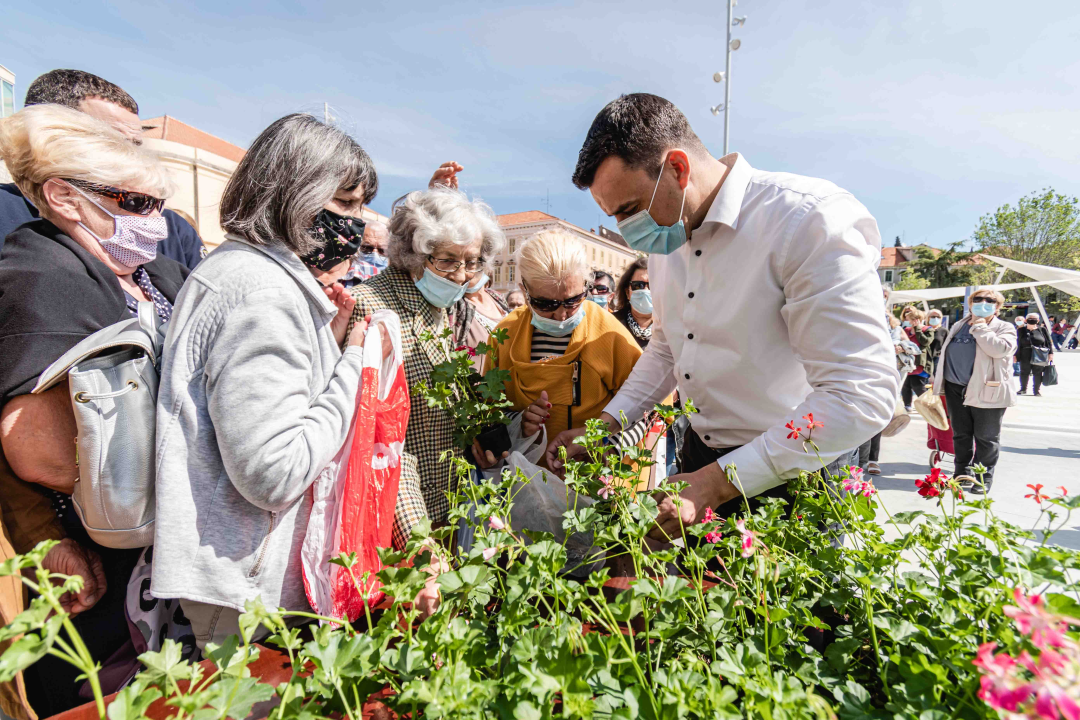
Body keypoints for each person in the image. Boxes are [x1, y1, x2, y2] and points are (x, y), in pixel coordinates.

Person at [552, 93, 897, 538]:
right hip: (699, 463)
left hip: (792, 474)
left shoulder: (806, 219)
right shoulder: (666, 240)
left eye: (629, 209)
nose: (625, 230)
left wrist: (718, 483)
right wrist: (605, 426)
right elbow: (667, 349)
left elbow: (860, 395)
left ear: (677, 169)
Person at [152, 114, 428, 650]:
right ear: (292, 196)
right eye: (344, 204)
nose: (358, 221)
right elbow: (275, 471)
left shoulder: (249, 275)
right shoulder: (261, 292)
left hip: (250, 579)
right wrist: (354, 361)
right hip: (250, 593)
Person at [0, 104, 189, 715]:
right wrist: (50, 539)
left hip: (165, 547)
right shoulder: (41, 273)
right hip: (95, 553)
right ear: (64, 197)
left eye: (159, 205)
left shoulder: (154, 272)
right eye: (135, 203)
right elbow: (37, 451)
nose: (154, 223)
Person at [347, 187, 506, 531]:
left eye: (472, 262)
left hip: (449, 507)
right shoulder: (371, 307)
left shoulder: (444, 310)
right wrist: (418, 538)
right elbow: (378, 440)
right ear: (415, 254)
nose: (462, 276)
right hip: (397, 516)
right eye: (448, 261)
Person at [0, 69, 205, 268]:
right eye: (114, 142)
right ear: (47, 133)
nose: (133, 159)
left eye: (135, 146)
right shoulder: (6, 212)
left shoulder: (174, 231)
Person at [492, 230, 642, 463]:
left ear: (585, 285)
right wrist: (519, 422)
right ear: (524, 290)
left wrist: (608, 448)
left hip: (595, 481)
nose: (561, 315)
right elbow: (487, 411)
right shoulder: (505, 334)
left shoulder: (608, 332)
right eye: (545, 304)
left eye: (573, 301)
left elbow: (650, 406)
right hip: (524, 484)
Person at [932, 288, 1016, 494]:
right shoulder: (959, 325)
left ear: (997, 307)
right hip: (955, 388)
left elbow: (999, 350)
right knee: (961, 435)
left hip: (987, 390)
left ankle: (983, 477)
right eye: (977, 299)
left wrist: (981, 327)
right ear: (970, 303)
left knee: (986, 437)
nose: (983, 303)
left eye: (990, 300)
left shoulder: (1004, 327)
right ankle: (961, 474)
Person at [612, 257, 652, 348]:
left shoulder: (671, 329)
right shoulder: (611, 323)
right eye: (638, 285)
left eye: (652, 286)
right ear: (627, 292)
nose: (645, 290)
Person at [899, 305, 934, 411]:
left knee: (918, 385)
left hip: (920, 364)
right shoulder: (906, 330)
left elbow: (925, 342)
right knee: (906, 385)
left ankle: (928, 406)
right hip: (907, 362)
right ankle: (907, 405)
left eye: (913, 319)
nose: (911, 322)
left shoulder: (928, 329)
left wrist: (918, 329)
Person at [341, 220, 389, 287]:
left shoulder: (394, 281)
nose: (375, 253)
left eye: (382, 250)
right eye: (367, 248)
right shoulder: (343, 274)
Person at [1016, 312, 1053, 396]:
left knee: (1038, 372)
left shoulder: (1042, 329)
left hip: (1039, 354)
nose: (1032, 320)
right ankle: (1023, 389)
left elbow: (1048, 342)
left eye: (1034, 319)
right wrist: (1015, 355)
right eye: (1030, 318)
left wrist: (1051, 353)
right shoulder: (1021, 330)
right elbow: (1017, 343)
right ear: (1025, 320)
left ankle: (1036, 391)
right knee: (1024, 372)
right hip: (1025, 354)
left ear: (1038, 320)